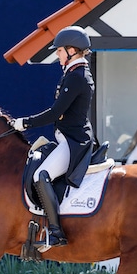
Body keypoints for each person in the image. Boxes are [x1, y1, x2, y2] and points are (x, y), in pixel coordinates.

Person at [11, 25, 95, 250]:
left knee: (41, 175)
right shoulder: (72, 74)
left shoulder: (77, 76)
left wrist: (24, 123)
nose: (57, 55)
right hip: (65, 137)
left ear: (72, 50)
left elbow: (55, 112)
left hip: (73, 140)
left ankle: (57, 233)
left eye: (59, 51)